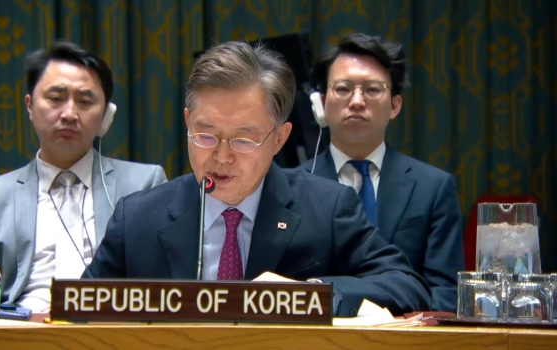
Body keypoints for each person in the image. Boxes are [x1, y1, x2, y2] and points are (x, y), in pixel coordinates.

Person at [83, 41, 431, 317]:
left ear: (279, 138)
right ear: (188, 122)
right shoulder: (138, 218)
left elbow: (405, 285)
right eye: (205, 135)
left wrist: (309, 294)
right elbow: (79, 310)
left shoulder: (327, 209)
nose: (221, 156)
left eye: (243, 140)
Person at [0, 41, 168, 315]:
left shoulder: (144, 184)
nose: (70, 114)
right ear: (29, 105)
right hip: (19, 334)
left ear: (105, 117)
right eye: (55, 98)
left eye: (85, 102)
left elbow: (165, 294)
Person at [302, 33, 464, 312]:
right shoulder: (294, 186)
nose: (356, 101)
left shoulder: (433, 188)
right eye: (342, 88)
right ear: (321, 103)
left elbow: (447, 295)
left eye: (373, 89)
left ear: (395, 105)